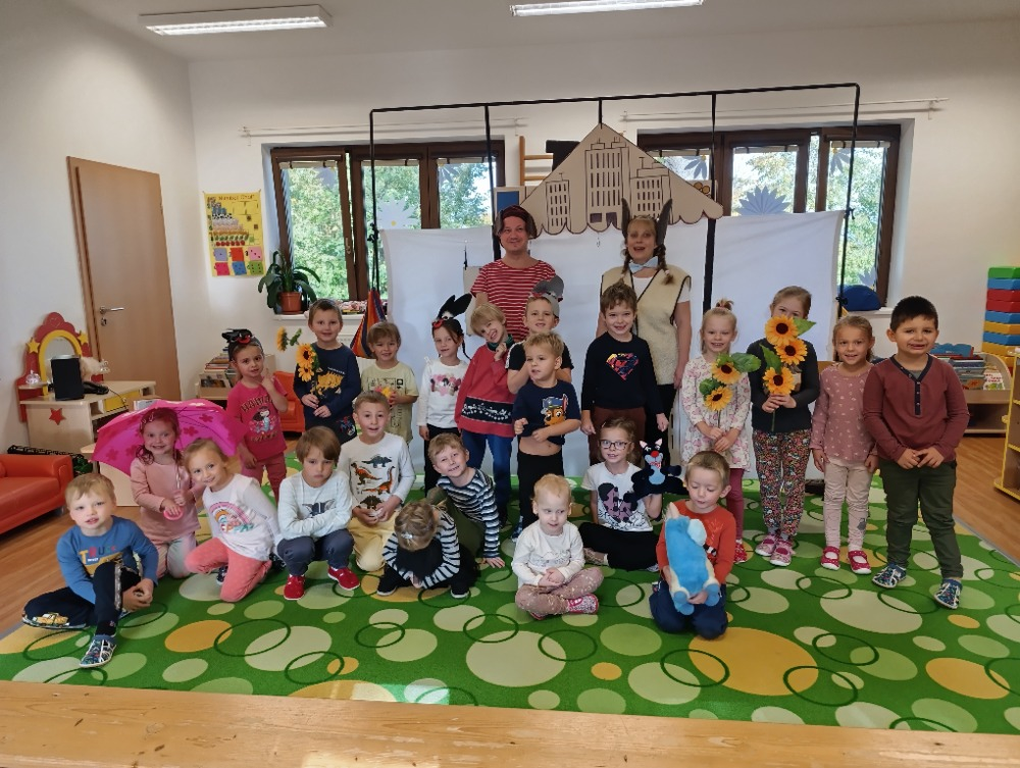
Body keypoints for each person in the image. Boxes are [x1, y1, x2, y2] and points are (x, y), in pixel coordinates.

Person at [863, 296, 968, 609]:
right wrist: (896, 452)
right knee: (900, 515)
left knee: (940, 519)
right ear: (892, 334)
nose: (919, 337)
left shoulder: (945, 372)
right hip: (898, 463)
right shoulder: (880, 373)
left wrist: (943, 449)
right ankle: (896, 564)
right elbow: (872, 416)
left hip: (939, 464)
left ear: (936, 334)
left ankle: (952, 577)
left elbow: (960, 414)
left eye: (927, 330)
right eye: (910, 330)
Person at [22, 474, 158, 669]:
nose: (90, 512)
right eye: (80, 508)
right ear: (71, 513)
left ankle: (104, 635)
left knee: (105, 569)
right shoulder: (67, 543)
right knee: (34, 610)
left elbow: (149, 552)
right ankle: (115, 610)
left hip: (125, 581)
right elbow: (77, 582)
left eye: (98, 503)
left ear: (113, 503)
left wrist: (148, 580)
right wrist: (116, 602)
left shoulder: (126, 528)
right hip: (94, 590)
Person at [599, 199, 691, 447]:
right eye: (634, 235)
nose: (639, 240)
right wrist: (600, 363)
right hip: (619, 366)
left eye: (646, 235)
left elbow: (684, 323)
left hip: (662, 368)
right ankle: (626, 472)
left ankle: (655, 473)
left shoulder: (676, 277)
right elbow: (603, 323)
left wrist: (682, 364)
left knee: (655, 434)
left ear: (657, 240)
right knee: (622, 432)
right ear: (626, 240)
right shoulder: (610, 277)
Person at [746, 286, 819, 567]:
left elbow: (813, 388)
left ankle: (787, 535)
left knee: (792, 483)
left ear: (804, 319)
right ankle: (771, 530)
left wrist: (794, 401)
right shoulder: (757, 349)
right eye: (782, 310)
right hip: (764, 429)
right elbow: (752, 388)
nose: (787, 318)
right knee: (768, 481)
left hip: (797, 429)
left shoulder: (806, 350)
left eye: (795, 314)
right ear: (772, 310)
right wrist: (761, 402)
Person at [680, 300, 752, 563]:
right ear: (702, 334)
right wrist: (705, 428)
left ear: (733, 335)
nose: (718, 337)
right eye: (712, 332)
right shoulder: (694, 367)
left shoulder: (738, 368)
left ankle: (735, 538)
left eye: (724, 332)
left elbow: (744, 402)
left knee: (733, 492)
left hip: (731, 443)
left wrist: (732, 434)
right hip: (702, 440)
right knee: (702, 492)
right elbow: (688, 400)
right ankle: (703, 537)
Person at [811, 315, 878, 574]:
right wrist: (816, 446)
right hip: (833, 452)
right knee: (832, 498)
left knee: (858, 501)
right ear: (835, 345)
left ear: (870, 343)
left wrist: (877, 451)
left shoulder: (876, 376)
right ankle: (832, 545)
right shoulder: (828, 375)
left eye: (857, 342)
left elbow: (883, 417)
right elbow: (821, 412)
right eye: (844, 343)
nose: (850, 348)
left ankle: (856, 547)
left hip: (864, 454)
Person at [648, 451, 735, 640]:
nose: (701, 494)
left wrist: (707, 589)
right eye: (695, 486)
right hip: (676, 579)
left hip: (708, 581)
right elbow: (662, 546)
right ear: (686, 483)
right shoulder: (676, 510)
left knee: (710, 629)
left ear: (724, 491)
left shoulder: (727, 519)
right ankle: (658, 592)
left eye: (710, 489)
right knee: (670, 623)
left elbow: (725, 561)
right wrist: (667, 573)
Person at [183, 439, 280, 602]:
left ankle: (265, 563)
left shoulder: (243, 486)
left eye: (210, 466)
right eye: (197, 471)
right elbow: (215, 523)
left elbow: (270, 515)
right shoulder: (207, 494)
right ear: (191, 475)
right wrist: (218, 551)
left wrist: (278, 544)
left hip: (252, 546)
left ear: (224, 461)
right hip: (228, 541)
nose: (206, 475)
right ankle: (231, 564)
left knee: (230, 595)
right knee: (191, 563)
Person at [581, 281, 667, 465]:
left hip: (635, 412)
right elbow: (588, 384)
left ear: (635, 314)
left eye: (626, 314)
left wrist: (659, 412)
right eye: (613, 315)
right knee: (600, 456)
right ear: (603, 316)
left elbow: (649, 382)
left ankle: (630, 484)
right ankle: (599, 484)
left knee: (632, 457)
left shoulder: (641, 347)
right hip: (603, 411)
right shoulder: (597, 347)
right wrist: (586, 416)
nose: (619, 321)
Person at [511, 331, 582, 539]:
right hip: (529, 459)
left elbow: (575, 421)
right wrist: (518, 425)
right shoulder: (525, 392)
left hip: (553, 458)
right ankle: (527, 528)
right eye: (529, 359)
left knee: (555, 495)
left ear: (557, 362)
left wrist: (549, 431)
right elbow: (517, 418)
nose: (534, 364)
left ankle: (555, 531)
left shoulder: (566, 390)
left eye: (541, 358)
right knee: (529, 497)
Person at [276, 426, 359, 600]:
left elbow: (344, 518)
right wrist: (330, 515)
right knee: (302, 547)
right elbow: (288, 529)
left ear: (334, 461)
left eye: (327, 462)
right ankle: (296, 574)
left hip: (323, 537)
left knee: (344, 540)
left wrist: (309, 529)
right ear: (301, 459)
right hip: (298, 542)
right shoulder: (289, 485)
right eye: (312, 462)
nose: (319, 468)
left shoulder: (340, 479)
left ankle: (337, 567)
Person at [339, 392, 415, 572]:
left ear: (388, 416)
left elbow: (409, 476)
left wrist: (393, 502)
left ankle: (392, 549)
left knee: (416, 545)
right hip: (361, 520)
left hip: (393, 516)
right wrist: (356, 509)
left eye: (380, 415)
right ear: (356, 418)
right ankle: (387, 551)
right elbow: (341, 485)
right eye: (367, 415)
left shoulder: (398, 443)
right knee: (370, 565)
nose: (373, 422)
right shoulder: (346, 449)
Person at [455, 302, 515, 523]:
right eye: (482, 331)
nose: (488, 332)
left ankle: (501, 506)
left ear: (502, 319)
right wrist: (459, 416)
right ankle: (469, 505)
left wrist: (499, 360)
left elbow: (509, 386)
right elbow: (466, 385)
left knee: (501, 466)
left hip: (501, 421)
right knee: (469, 465)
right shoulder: (480, 353)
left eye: (489, 324)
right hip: (472, 419)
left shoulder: (517, 352)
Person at [512, 474, 604, 620]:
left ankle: (545, 605)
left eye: (560, 511)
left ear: (569, 509)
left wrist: (563, 573)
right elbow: (517, 564)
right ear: (535, 507)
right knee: (522, 598)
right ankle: (569, 605)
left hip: (565, 581)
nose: (554, 518)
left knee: (596, 574)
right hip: (537, 585)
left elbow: (578, 561)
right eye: (547, 511)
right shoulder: (528, 535)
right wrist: (537, 580)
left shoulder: (572, 531)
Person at [579, 417, 662, 571]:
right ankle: (637, 561)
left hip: (637, 534)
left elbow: (653, 513)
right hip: (610, 532)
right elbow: (594, 502)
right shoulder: (593, 472)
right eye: (606, 442)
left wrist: (657, 489)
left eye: (619, 443)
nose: (612, 448)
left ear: (630, 447)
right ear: (599, 444)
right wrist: (599, 527)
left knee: (660, 548)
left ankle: (601, 558)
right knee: (584, 529)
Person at [129, 406, 200, 579]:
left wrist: (189, 495)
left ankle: (188, 546)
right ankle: (171, 553)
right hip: (154, 533)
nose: (158, 440)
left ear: (176, 434)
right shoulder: (139, 464)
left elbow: (201, 483)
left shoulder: (186, 459)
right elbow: (140, 496)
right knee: (151, 573)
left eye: (165, 434)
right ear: (142, 436)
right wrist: (164, 503)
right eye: (151, 435)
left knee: (181, 572)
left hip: (183, 528)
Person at [472, 204, 556, 343]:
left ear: (528, 233)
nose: (513, 235)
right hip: (499, 352)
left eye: (519, 229)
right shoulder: (487, 273)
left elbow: (550, 317)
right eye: (507, 230)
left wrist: (528, 348)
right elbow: (480, 321)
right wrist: (506, 342)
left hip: (537, 350)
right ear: (499, 235)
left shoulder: (546, 272)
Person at [224, 328, 289, 502]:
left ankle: (284, 514)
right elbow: (234, 427)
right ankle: (255, 517)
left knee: (281, 486)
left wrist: (270, 388)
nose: (253, 364)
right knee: (251, 490)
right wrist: (244, 452)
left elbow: (283, 407)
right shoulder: (235, 394)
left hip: (275, 450)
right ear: (235, 365)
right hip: (252, 455)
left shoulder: (272, 382)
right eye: (246, 361)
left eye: (257, 358)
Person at [429, 433, 504, 568]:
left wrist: (491, 551)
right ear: (437, 468)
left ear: (466, 455)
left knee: (463, 549)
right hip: (457, 514)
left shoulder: (480, 484)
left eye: (455, 455)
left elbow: (491, 519)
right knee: (434, 494)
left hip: (477, 523)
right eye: (444, 459)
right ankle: (418, 527)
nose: (451, 462)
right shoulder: (443, 482)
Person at [376, 500, 479, 599]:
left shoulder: (446, 525)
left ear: (432, 532)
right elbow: (388, 551)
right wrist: (408, 574)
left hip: (438, 555)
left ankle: (457, 585)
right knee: (391, 574)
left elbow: (452, 564)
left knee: (460, 574)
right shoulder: (405, 523)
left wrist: (426, 581)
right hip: (411, 558)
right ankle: (392, 579)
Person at [294, 298, 361, 445]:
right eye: (320, 322)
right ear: (311, 325)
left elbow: (354, 387)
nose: (327, 327)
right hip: (314, 419)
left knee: (346, 456)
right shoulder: (306, 353)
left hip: (342, 419)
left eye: (332, 322)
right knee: (318, 455)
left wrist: (332, 407)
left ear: (340, 325)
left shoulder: (347, 355)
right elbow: (298, 384)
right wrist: (303, 396)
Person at [418, 302, 469, 492]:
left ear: (459, 339)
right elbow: (424, 396)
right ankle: (430, 501)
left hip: (455, 427)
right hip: (432, 427)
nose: (443, 344)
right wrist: (422, 423)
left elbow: (467, 402)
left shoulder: (465, 370)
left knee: (455, 466)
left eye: (448, 339)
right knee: (433, 467)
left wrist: (464, 426)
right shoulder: (431, 366)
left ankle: (457, 500)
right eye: (438, 340)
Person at [506, 277, 573, 395]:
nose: (540, 318)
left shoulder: (560, 348)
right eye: (534, 313)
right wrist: (530, 361)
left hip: (553, 404)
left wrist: (551, 362)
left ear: (555, 322)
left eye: (546, 314)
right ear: (525, 320)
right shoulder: (517, 349)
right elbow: (513, 388)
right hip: (527, 405)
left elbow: (567, 383)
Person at [361, 321, 419, 443]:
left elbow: (413, 396)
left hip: (400, 432)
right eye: (380, 344)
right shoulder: (367, 373)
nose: (386, 349)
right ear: (372, 347)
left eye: (391, 344)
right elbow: (363, 400)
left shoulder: (405, 371)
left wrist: (399, 399)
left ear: (398, 344)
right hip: (375, 432)